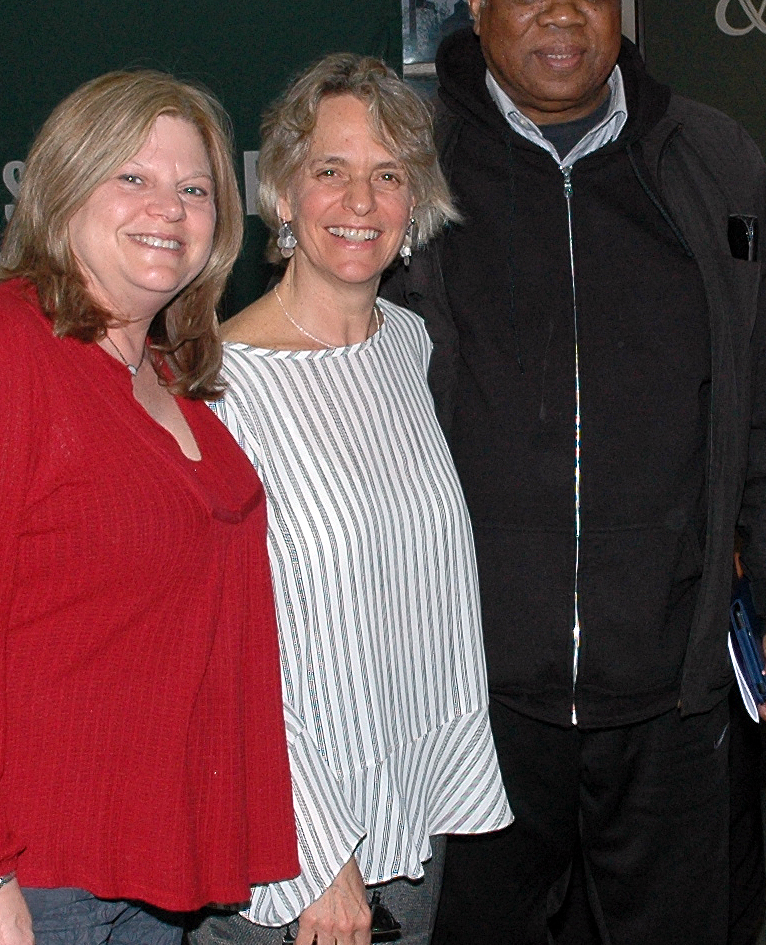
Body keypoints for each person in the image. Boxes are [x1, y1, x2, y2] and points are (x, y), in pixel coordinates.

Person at [382, 0, 766, 945]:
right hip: (470, 698)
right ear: (474, 5)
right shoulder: (402, 171)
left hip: (671, 688)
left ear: (624, 9)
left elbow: (764, 403)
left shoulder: (712, 163)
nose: (563, 12)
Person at [0, 72, 296, 945]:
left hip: (146, 876)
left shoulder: (170, 379)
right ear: (63, 188)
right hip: (34, 879)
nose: (167, 207)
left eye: (195, 188)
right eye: (131, 177)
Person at [188, 55, 511, 945]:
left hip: (410, 816)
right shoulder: (215, 390)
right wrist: (317, 854)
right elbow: (225, 649)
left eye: (388, 174)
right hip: (296, 854)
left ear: (417, 203)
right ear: (283, 196)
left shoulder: (407, 347)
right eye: (330, 170)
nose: (360, 201)